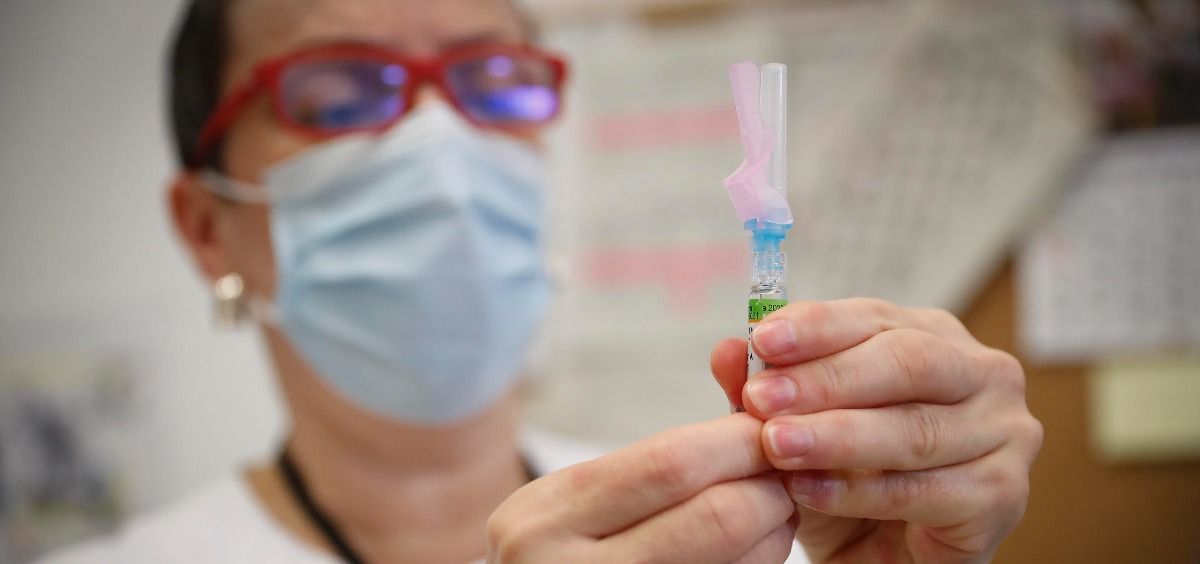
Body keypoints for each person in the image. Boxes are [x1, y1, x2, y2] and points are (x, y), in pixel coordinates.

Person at [47, 0, 1043, 562]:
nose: (442, 149)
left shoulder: (748, 536)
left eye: (492, 80)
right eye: (339, 89)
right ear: (207, 228)